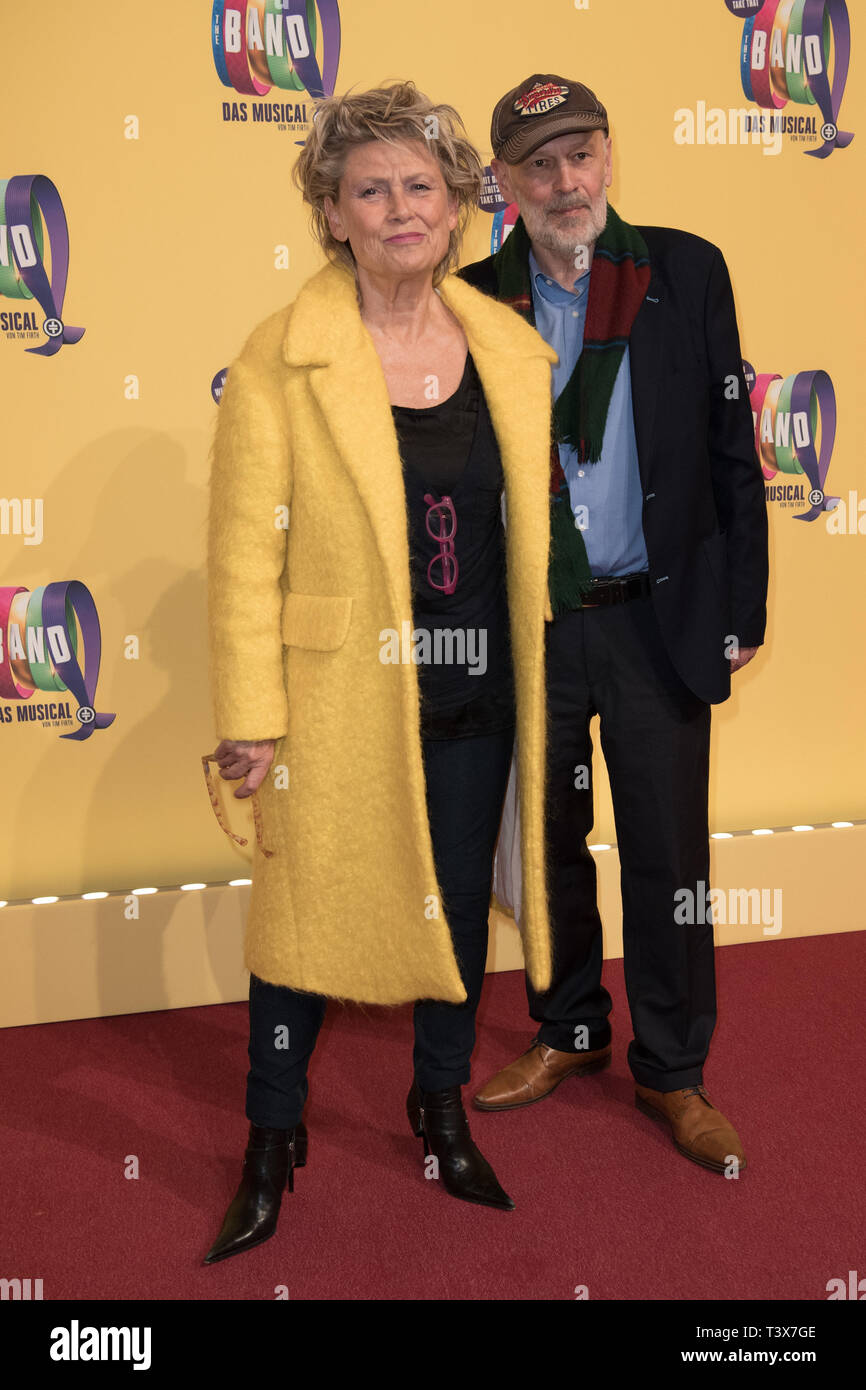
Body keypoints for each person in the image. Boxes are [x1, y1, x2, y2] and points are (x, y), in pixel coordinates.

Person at [203, 81, 558, 1263]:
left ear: (457, 203)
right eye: (370, 189)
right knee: (297, 926)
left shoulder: (510, 349)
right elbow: (245, 558)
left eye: (420, 184)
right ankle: (270, 1133)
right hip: (336, 700)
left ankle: (439, 1107)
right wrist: (253, 717)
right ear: (332, 211)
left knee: (454, 917)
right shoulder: (280, 359)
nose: (400, 207)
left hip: (477, 692)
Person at [459, 74, 768, 1173]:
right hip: (532, 626)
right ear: (503, 183)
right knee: (542, 848)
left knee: (666, 851)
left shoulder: (682, 270)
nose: (563, 180)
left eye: (579, 153)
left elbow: (733, 452)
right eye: (537, 163)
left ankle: (675, 1072)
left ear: (607, 158)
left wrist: (740, 608)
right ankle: (571, 1029)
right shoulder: (470, 299)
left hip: (655, 619)